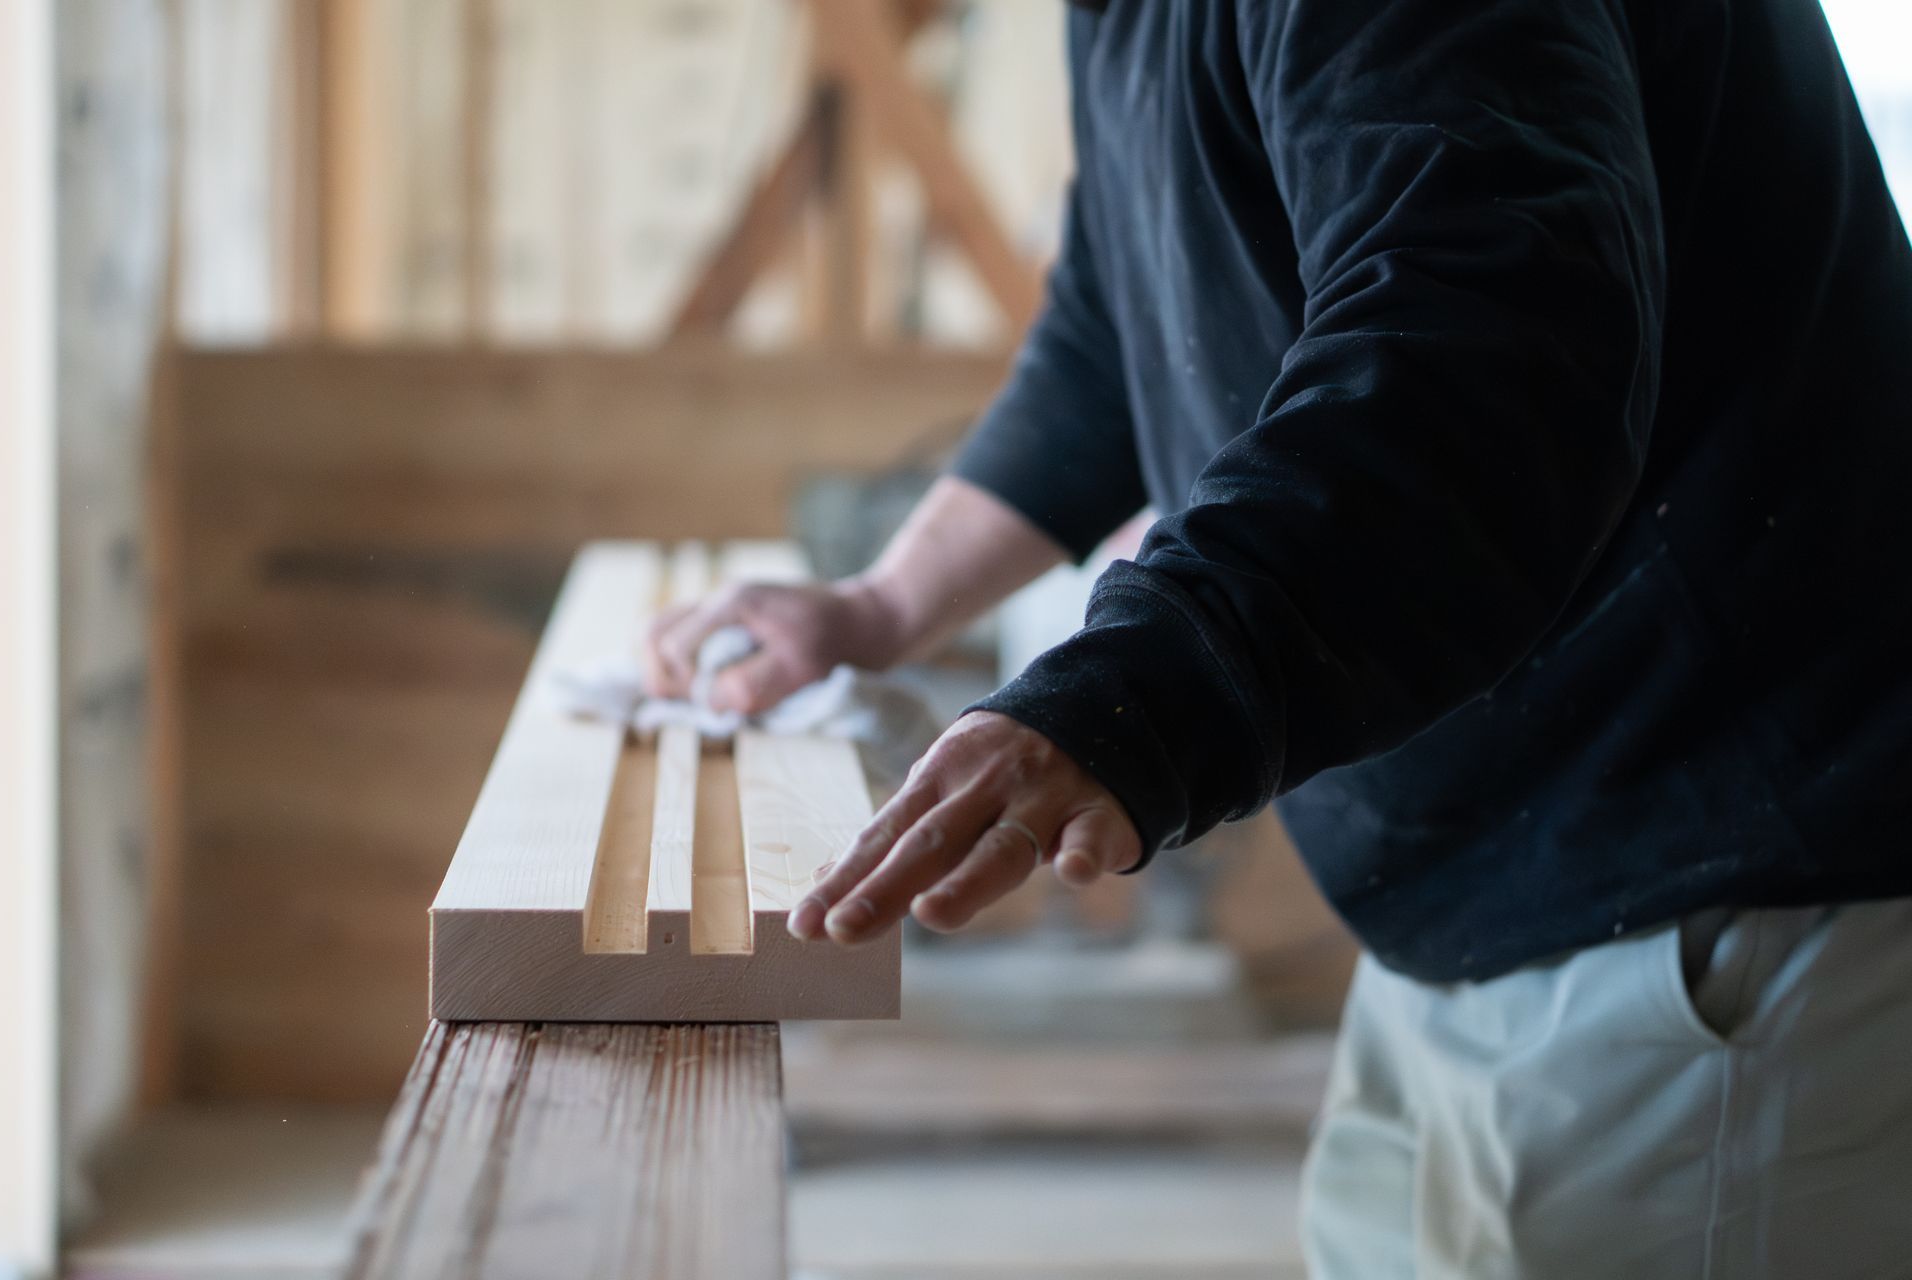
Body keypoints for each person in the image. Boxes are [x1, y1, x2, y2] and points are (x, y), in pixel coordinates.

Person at [647, 1, 1912, 1274]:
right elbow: (1119, 320)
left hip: (1719, 885)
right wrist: (879, 605)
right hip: (1482, 891)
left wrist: (1141, 698)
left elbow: (1489, 341)